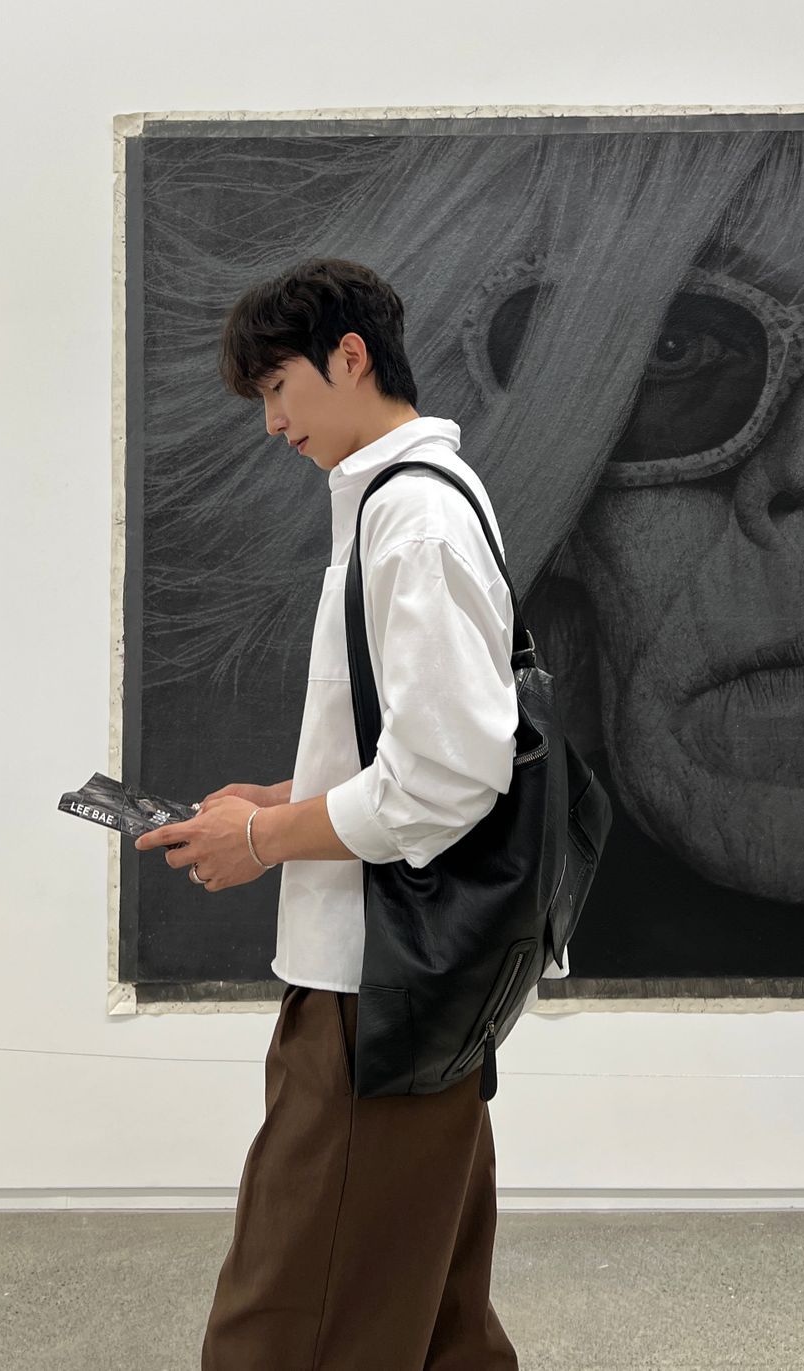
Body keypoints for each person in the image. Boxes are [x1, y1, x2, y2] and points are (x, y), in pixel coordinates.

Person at [133, 257, 566, 1368]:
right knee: (436, 1321)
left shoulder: (412, 521)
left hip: (377, 985)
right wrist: (284, 793)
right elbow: (419, 747)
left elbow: (446, 777)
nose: (273, 422)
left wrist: (260, 838)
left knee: (289, 1319)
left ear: (351, 357)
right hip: (408, 979)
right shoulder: (411, 504)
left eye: (279, 387)